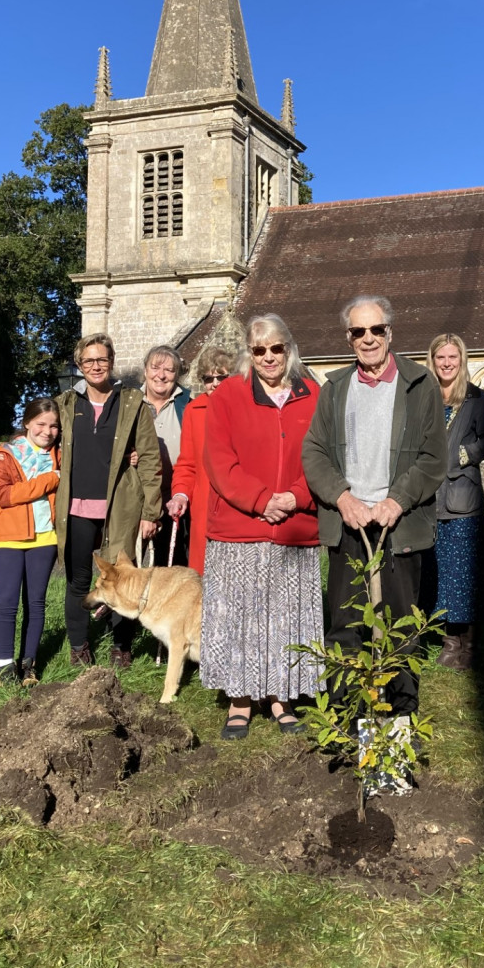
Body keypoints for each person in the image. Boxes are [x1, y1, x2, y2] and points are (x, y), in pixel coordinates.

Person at [302, 295, 448, 723]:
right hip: (349, 525)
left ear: (390, 332)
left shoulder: (420, 384)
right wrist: (342, 498)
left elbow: (434, 457)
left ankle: (399, 722)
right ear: (349, 338)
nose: (368, 339)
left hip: (396, 526)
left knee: (400, 629)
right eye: (358, 332)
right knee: (347, 628)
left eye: (376, 330)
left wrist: (396, 500)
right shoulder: (334, 389)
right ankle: (351, 720)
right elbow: (313, 451)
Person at [200, 314, 325, 739]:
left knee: (285, 618)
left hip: (295, 528)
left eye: (276, 348)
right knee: (240, 617)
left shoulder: (313, 395)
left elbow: (324, 458)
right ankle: (239, 700)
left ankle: (281, 696)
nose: (269, 357)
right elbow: (219, 461)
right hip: (240, 527)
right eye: (259, 350)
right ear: (249, 355)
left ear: (289, 349)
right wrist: (261, 500)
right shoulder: (229, 395)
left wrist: (295, 497)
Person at [55, 335, 163, 667]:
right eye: (88, 361)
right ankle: (78, 647)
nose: (96, 366)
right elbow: (36, 434)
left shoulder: (132, 403)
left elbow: (148, 459)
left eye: (101, 360)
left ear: (111, 362)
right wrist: (0, 451)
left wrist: (151, 511)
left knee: (122, 580)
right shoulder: (65, 405)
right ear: (79, 366)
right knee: (78, 580)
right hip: (76, 510)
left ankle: (121, 646)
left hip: (121, 510)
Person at [424, 332, 484, 670]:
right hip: (428, 500)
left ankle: (468, 644)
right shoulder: (423, 399)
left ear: (462, 360)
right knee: (439, 574)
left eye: (452, 357)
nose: (447, 363)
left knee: (467, 576)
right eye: (441, 357)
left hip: (462, 499)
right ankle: (448, 638)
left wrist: (460, 455)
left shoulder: (476, 399)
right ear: (432, 360)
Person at [0, 398, 61, 687]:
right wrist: (48, 480)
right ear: (27, 422)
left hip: (46, 536)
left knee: (36, 603)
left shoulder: (62, 454)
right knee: (6, 603)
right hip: (7, 535)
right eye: (41, 424)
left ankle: (28, 665)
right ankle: (5, 668)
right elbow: (4, 496)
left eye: (54, 425)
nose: (47, 430)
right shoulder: (3, 455)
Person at [167, 341, 242, 574]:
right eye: (208, 379)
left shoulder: (247, 409)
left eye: (222, 377)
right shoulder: (194, 410)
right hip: (205, 506)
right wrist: (180, 494)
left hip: (240, 504)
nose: (215, 384)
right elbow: (187, 462)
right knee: (204, 576)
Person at [140, 345, 191, 566]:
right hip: (138, 498)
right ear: (145, 371)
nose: (161, 375)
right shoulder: (130, 403)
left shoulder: (188, 404)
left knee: (173, 567)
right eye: (155, 367)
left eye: (169, 370)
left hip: (176, 499)